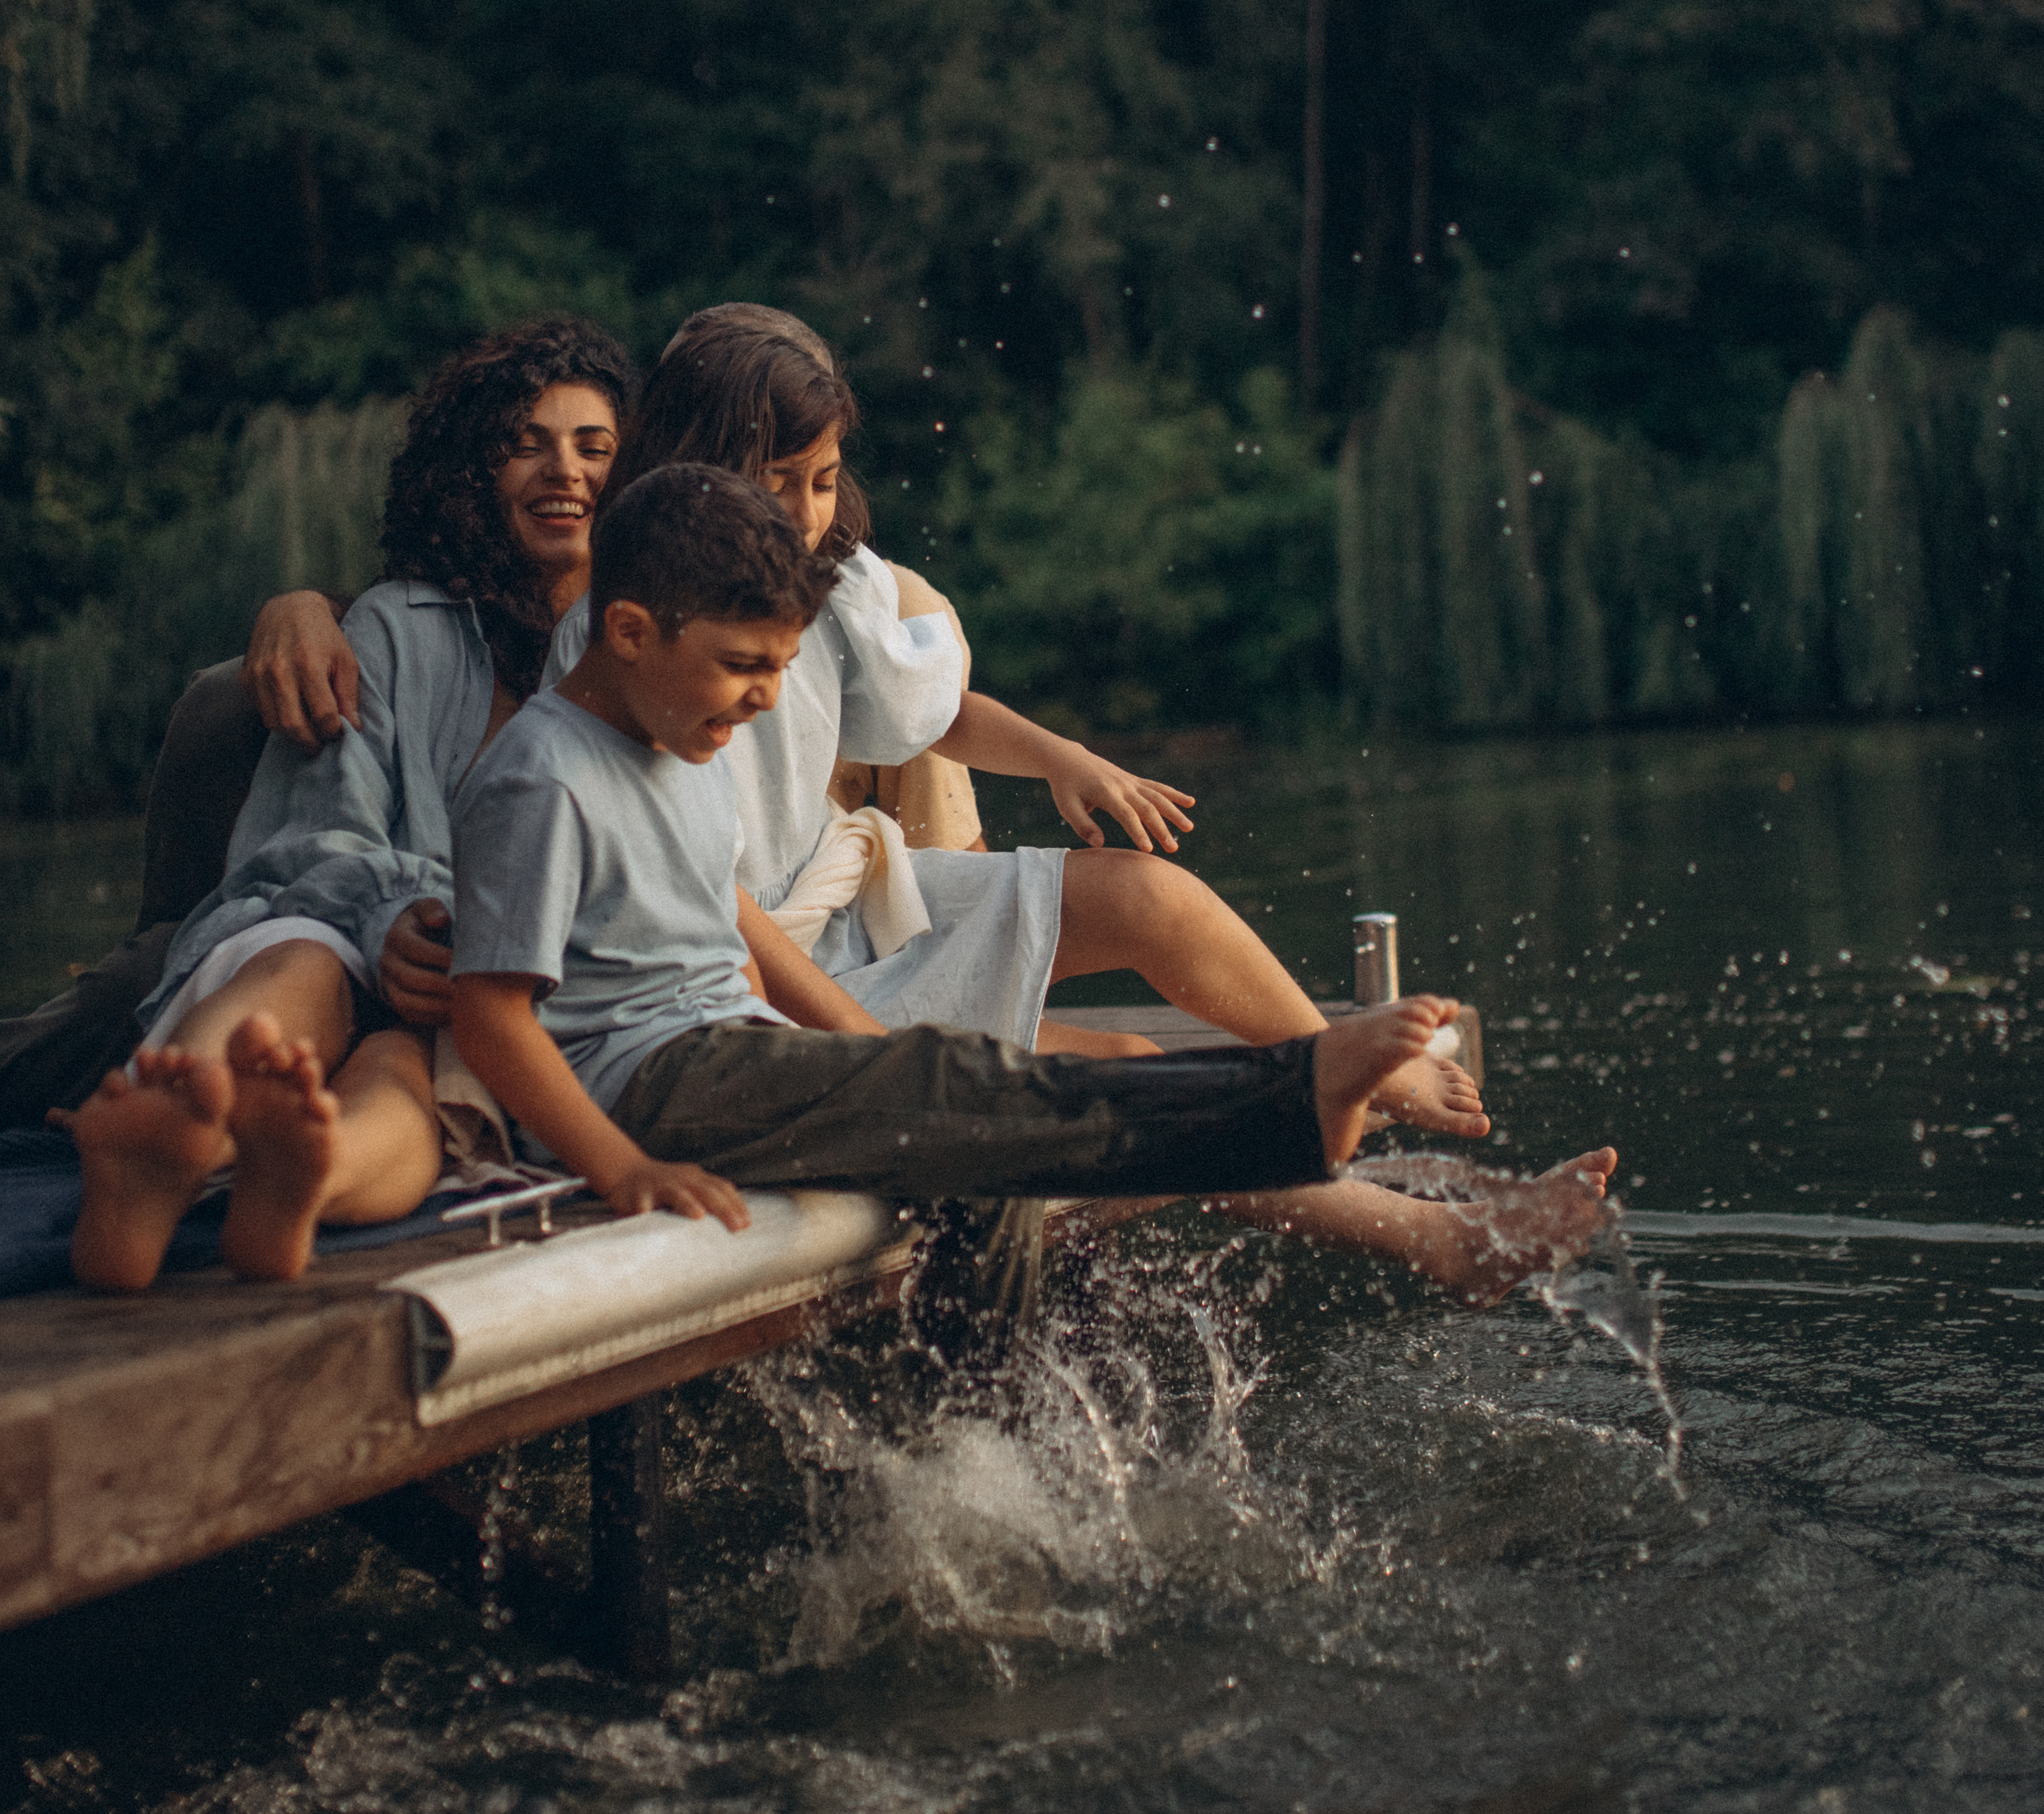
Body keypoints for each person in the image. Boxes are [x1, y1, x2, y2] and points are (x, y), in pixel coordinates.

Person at [446, 462, 1618, 1301]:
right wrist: (622, 1166)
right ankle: (1287, 1099)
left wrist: (857, 1046)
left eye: (781, 671)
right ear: (635, 631)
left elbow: (739, 931)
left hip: (739, 1044)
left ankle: (992, 1429)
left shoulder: (677, 744)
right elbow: (492, 1014)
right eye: (744, 668)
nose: (762, 702)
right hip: (653, 1084)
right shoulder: (540, 778)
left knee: (983, 1162)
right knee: (971, 1078)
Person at [56, 316, 638, 1291]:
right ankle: (181, 1121)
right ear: (470, 470)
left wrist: (471, 939)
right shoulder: (392, 628)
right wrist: (390, 918)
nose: (563, 470)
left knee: (409, 1081)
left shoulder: (642, 654)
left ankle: (304, 1180)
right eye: (524, 443)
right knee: (304, 960)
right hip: (338, 931)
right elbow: (311, 839)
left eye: (594, 446)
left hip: (496, 997)